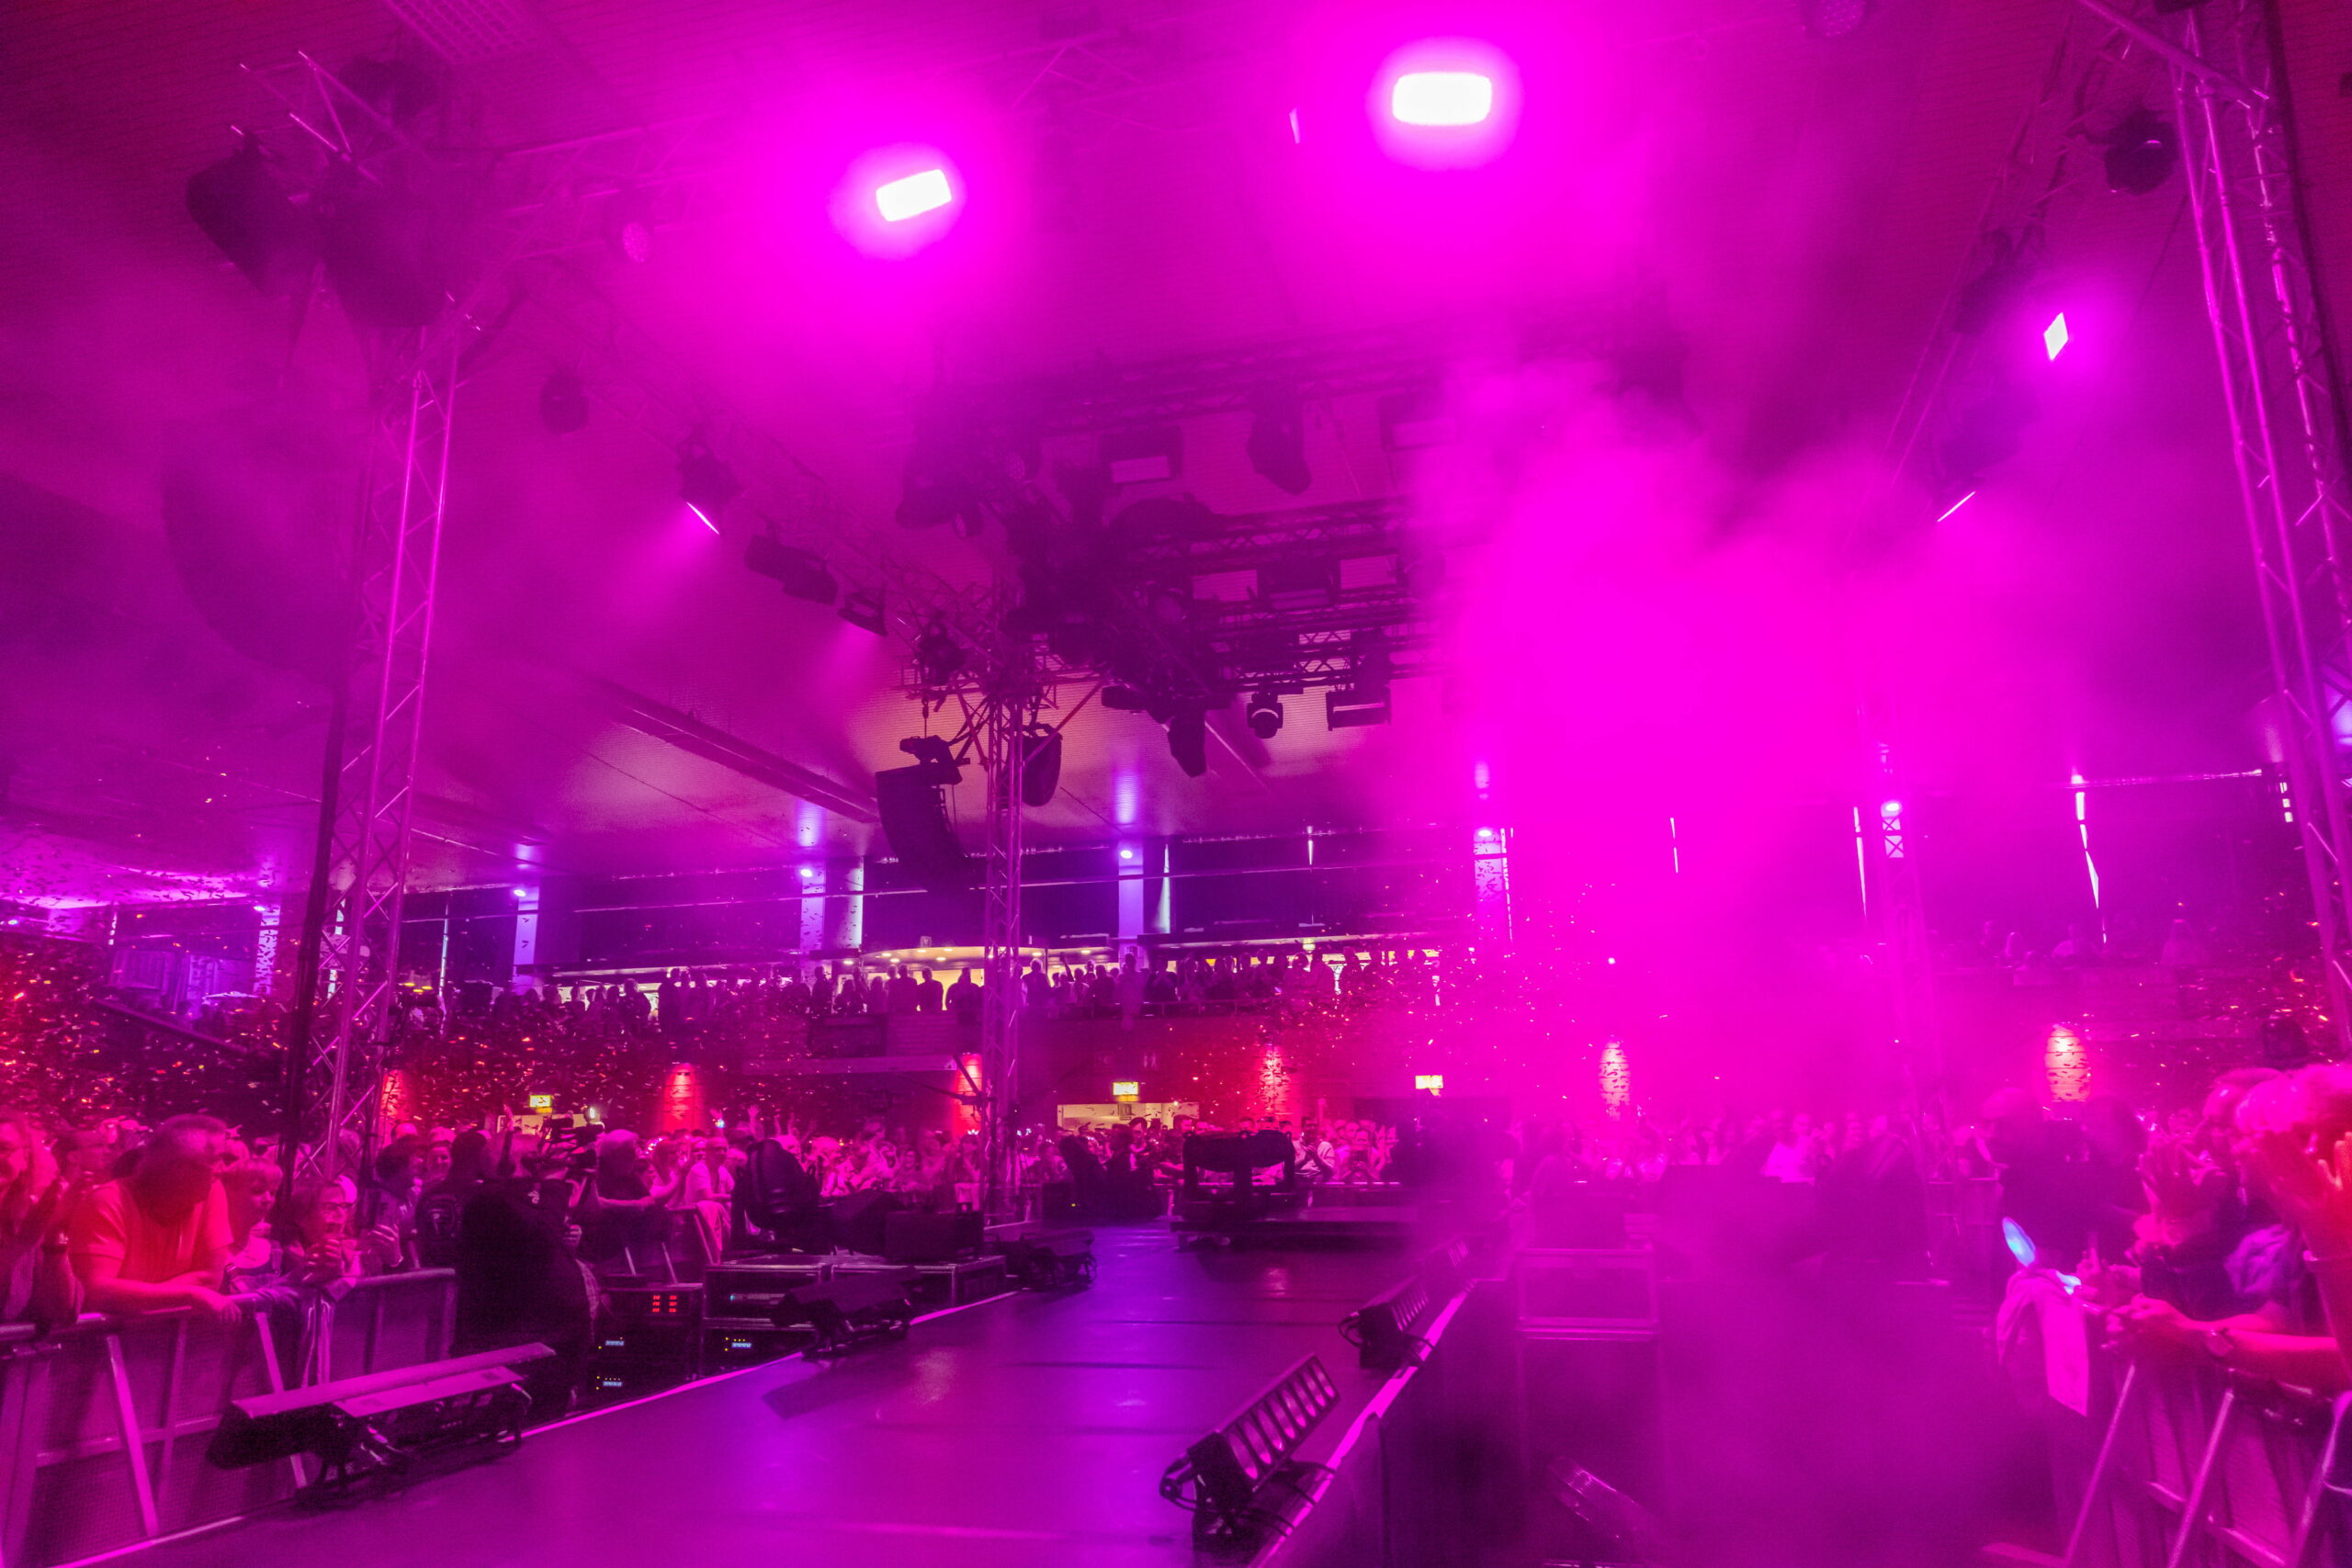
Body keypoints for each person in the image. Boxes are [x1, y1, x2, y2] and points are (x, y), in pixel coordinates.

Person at [68, 1113, 240, 1322]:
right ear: (180, 1169)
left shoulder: (211, 1190)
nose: (223, 1170)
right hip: (107, 1336)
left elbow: (210, 1278)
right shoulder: (109, 1201)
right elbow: (96, 1291)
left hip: (168, 1330)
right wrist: (189, 1294)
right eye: (216, 1160)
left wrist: (132, 1298)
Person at [0, 1109, 81, 1327]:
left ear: (25, 1158)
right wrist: (21, 1246)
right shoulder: (30, 1228)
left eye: (3, 1148)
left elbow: (61, 1313)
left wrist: (56, 1237)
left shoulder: (33, 1218)